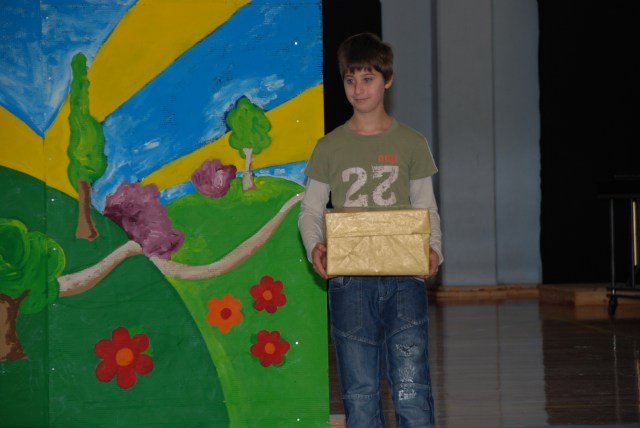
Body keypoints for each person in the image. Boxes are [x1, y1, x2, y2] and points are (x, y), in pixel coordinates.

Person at [298, 33, 442, 427]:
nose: (358, 89)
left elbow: (427, 208)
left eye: (368, 79)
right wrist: (315, 246)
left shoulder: (412, 143)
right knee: (359, 395)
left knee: (411, 389)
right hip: (350, 283)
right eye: (350, 80)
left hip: (405, 279)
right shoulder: (328, 147)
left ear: (387, 80)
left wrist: (433, 249)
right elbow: (310, 210)